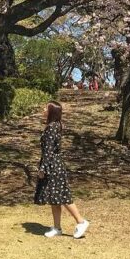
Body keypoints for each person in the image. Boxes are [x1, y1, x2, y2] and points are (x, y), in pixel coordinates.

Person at [35, 101, 90, 239]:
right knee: (55, 198)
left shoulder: (52, 127)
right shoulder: (55, 125)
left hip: (53, 166)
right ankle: (57, 227)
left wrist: (43, 168)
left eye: (45, 108)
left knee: (62, 195)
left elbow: (48, 151)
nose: (43, 110)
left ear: (51, 112)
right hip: (54, 164)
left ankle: (81, 221)